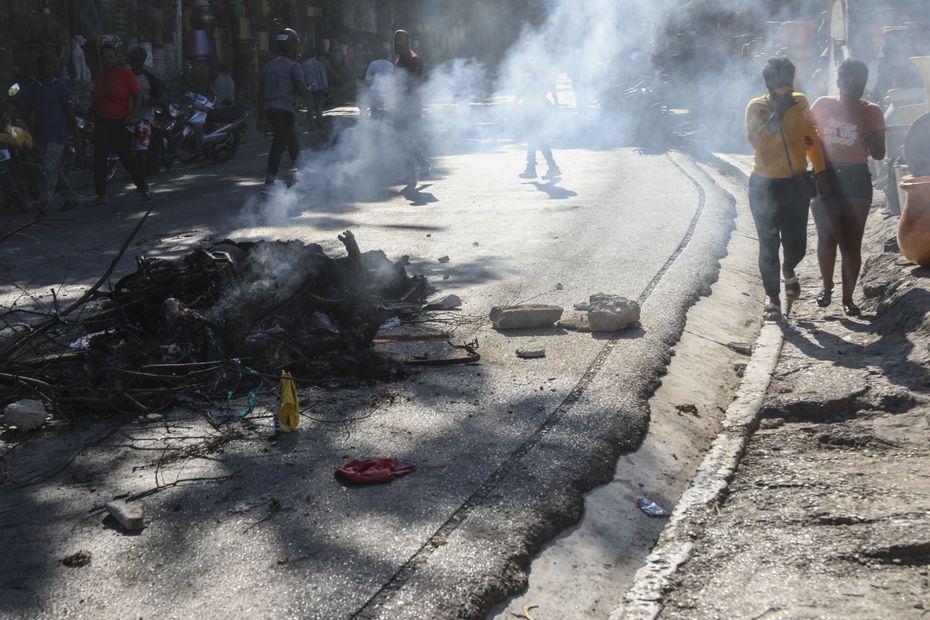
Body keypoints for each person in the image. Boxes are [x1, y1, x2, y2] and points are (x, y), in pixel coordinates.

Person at [745, 56, 830, 321]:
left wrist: (822, 171)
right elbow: (756, 142)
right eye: (779, 80)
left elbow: (812, 138)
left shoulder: (801, 102)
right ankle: (772, 299)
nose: (785, 86)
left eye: (788, 81)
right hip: (764, 184)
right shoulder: (756, 107)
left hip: (795, 183)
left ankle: (789, 269)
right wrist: (778, 113)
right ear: (768, 82)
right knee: (769, 242)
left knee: (798, 244)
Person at [810, 60, 885, 316]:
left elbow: (879, 154)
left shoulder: (872, 111)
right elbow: (807, 140)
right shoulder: (822, 105)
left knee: (852, 243)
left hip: (856, 179)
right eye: (850, 83)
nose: (856, 89)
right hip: (826, 175)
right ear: (839, 82)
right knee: (827, 237)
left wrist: (872, 140)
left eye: (861, 84)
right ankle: (827, 287)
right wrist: (816, 172)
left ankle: (848, 298)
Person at [91, 43, 151, 204]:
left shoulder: (125, 74)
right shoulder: (100, 77)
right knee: (99, 158)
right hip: (102, 121)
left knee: (126, 157)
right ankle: (101, 194)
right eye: (104, 57)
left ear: (116, 57)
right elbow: (95, 97)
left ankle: (142, 185)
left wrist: (134, 114)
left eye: (110, 56)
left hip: (120, 122)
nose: (107, 60)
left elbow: (138, 95)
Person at [23, 55, 81, 210]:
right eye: (42, 65)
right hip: (40, 135)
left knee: (50, 168)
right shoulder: (33, 89)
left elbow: (70, 113)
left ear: (52, 67)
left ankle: (45, 201)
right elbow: (26, 112)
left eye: (48, 65)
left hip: (57, 134)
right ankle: (71, 197)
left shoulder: (61, 87)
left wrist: (76, 135)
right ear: (38, 67)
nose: (44, 68)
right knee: (53, 169)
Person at [257, 28, 311, 193]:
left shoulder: (268, 66)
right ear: (293, 47)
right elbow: (302, 90)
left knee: (293, 145)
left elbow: (259, 94)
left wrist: (260, 118)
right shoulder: (293, 66)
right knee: (278, 147)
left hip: (269, 110)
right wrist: (308, 92)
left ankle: (304, 180)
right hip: (284, 112)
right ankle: (268, 183)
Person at [392, 29, 430, 185]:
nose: (395, 44)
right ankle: (422, 165)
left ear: (407, 42)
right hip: (402, 103)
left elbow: (415, 82)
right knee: (405, 139)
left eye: (398, 41)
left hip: (411, 105)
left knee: (404, 139)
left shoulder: (413, 59)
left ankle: (413, 173)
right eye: (394, 40)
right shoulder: (399, 59)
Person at [127, 47, 161, 178]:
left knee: (141, 150)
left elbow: (157, 98)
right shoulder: (127, 76)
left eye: (134, 58)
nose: (131, 60)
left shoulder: (150, 78)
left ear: (142, 60)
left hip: (144, 117)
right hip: (128, 115)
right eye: (130, 58)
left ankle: (142, 177)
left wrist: (146, 101)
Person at [300, 47, 328, 131]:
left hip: (308, 89)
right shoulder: (320, 64)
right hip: (320, 88)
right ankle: (319, 123)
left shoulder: (303, 64)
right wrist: (326, 89)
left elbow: (302, 78)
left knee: (310, 107)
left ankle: (312, 125)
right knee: (319, 106)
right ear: (315, 54)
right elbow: (324, 77)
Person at [364, 44, 394, 119]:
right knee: (388, 115)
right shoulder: (390, 65)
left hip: (375, 91)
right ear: (387, 55)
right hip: (387, 91)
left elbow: (367, 78)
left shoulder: (373, 63)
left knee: (373, 112)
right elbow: (392, 79)